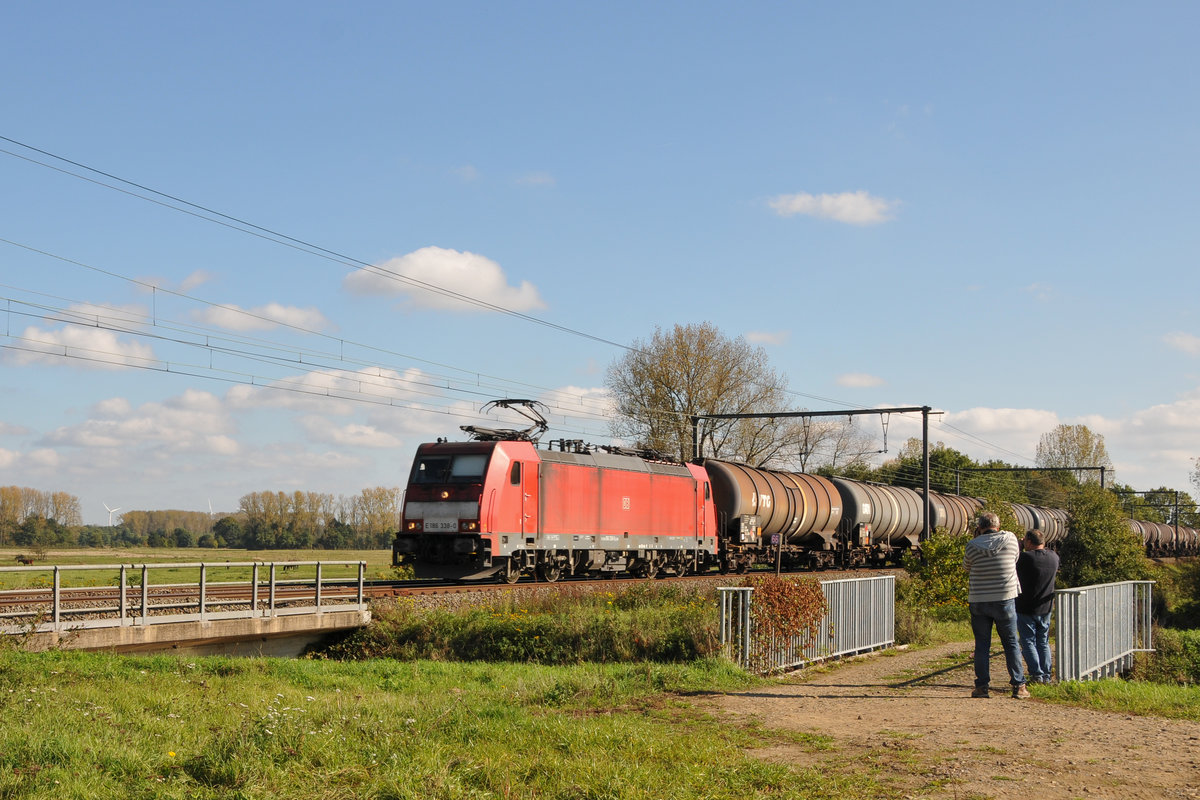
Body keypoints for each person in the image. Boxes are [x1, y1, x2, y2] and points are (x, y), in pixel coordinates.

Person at [963, 512, 1028, 698]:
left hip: (979, 600)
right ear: (997, 526)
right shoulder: (1010, 538)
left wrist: (977, 539)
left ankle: (982, 687)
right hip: (1004, 598)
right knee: (1011, 643)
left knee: (982, 645)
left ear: (980, 527)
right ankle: (1019, 687)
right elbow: (1015, 559)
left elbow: (967, 567)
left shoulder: (972, 545)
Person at [1015, 529, 1060, 684]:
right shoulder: (1054, 557)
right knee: (1043, 641)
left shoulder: (1025, 558)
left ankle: (1036, 675)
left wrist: (1019, 546)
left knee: (1028, 641)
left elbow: (1013, 561)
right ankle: (1046, 675)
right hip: (1046, 606)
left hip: (1025, 606)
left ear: (1029, 542)